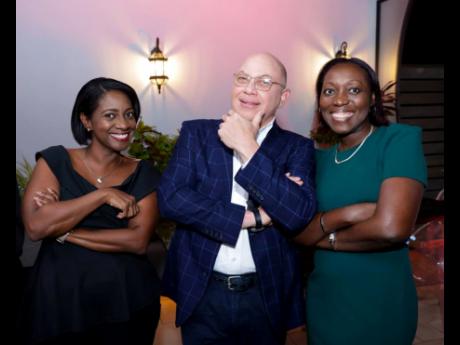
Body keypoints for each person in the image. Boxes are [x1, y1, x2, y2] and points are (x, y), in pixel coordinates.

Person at [157, 52, 317, 345]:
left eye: (264, 82)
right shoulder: (198, 134)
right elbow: (171, 199)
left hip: (265, 293)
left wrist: (247, 146)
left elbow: (297, 214)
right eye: (242, 78)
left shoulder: (297, 148)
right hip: (203, 289)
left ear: (284, 97)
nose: (249, 89)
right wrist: (253, 218)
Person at [291, 57, 427, 345]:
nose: (340, 100)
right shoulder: (317, 159)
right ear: (319, 102)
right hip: (325, 302)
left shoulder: (397, 140)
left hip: (381, 303)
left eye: (354, 90)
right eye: (329, 91)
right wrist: (351, 213)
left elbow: (392, 229)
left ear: (373, 98)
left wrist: (322, 234)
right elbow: (297, 232)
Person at [20, 77, 161, 345]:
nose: (123, 124)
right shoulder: (55, 161)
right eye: (110, 115)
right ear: (86, 121)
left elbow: (137, 242)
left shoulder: (144, 173)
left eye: (129, 114)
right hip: (58, 300)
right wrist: (102, 196)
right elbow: (37, 227)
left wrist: (63, 231)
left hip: (125, 301)